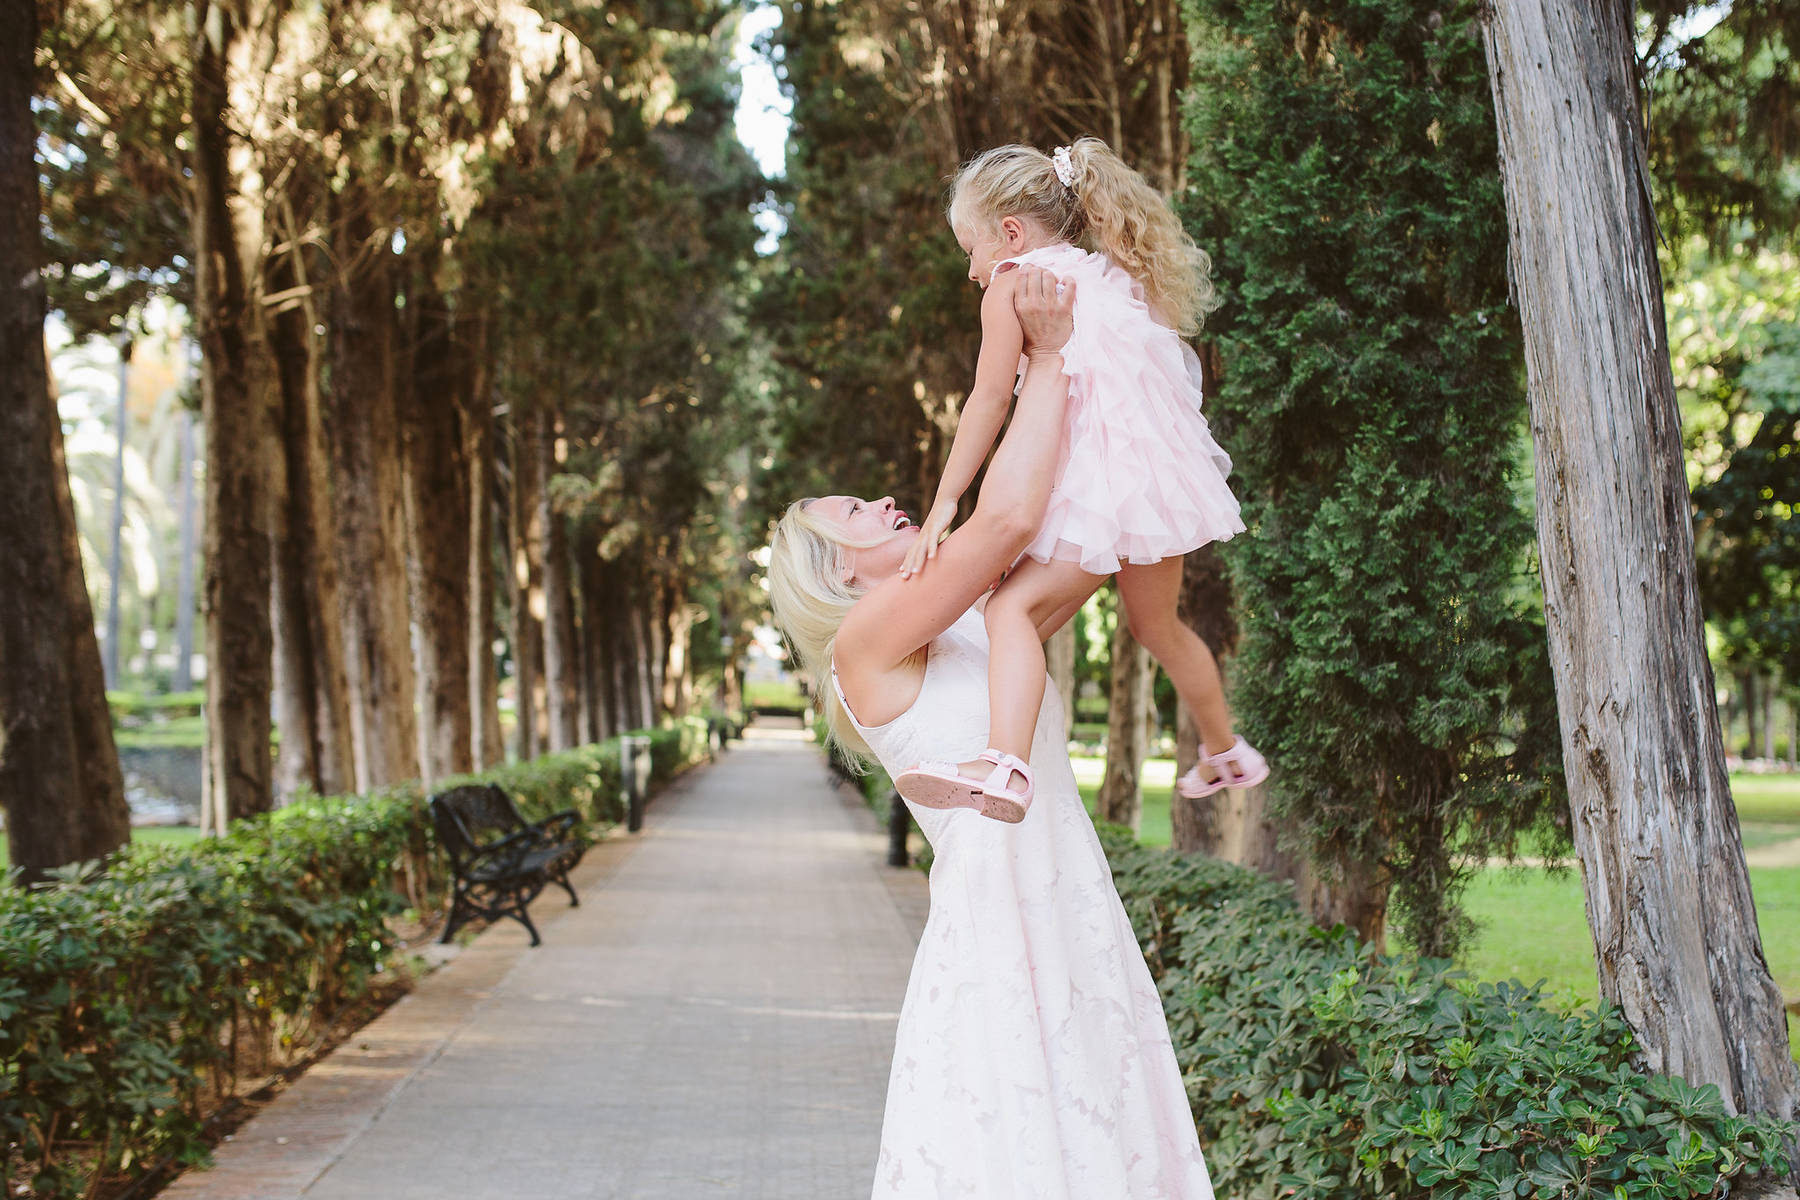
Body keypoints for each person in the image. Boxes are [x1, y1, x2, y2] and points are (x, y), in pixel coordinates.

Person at [767, 267, 1215, 1198]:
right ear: (840, 575)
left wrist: (1121, 378)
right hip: (999, 927)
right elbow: (1004, 517)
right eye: (856, 514)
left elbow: (1084, 528)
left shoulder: (978, 625)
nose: (885, 503)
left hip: (1068, 900)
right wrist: (1044, 358)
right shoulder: (864, 645)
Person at [894, 139, 1267, 819]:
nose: (973, 271)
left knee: (1008, 611)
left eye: (970, 250)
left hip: (1098, 490)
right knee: (1158, 627)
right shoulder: (1107, 275)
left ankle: (1003, 764)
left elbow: (988, 400)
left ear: (1010, 233)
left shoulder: (1015, 282)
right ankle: (1225, 749)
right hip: (1155, 491)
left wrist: (947, 500)